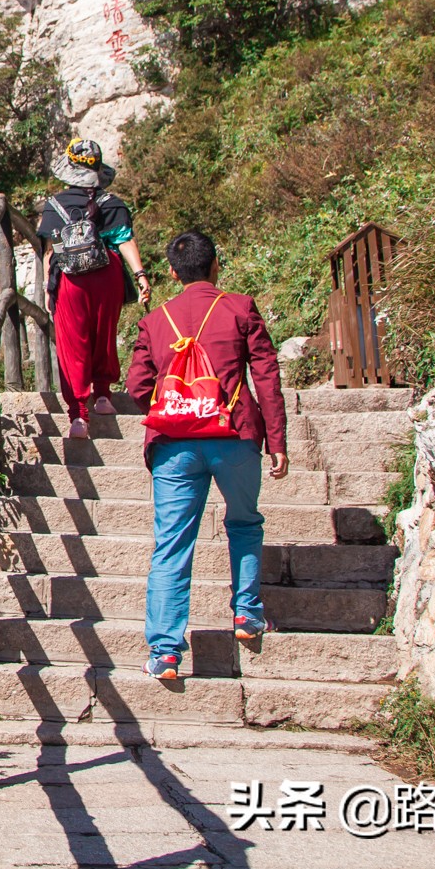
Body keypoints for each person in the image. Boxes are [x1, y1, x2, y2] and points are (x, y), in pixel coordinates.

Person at [123, 229, 289, 681]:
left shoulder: (155, 321)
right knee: (244, 523)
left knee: (172, 544)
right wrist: (277, 440)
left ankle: (165, 653)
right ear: (216, 265)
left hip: (174, 444)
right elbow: (267, 378)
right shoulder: (239, 308)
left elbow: (137, 388)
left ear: (173, 273)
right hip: (235, 436)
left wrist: (174, 405)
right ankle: (247, 615)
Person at [37, 138, 150, 439]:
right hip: (108, 274)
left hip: (71, 278)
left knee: (73, 344)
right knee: (104, 334)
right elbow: (124, 239)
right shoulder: (112, 203)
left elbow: (52, 251)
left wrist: (50, 289)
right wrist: (140, 276)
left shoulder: (56, 205)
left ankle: (78, 415)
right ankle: (102, 396)